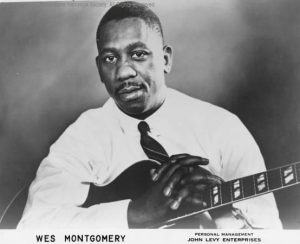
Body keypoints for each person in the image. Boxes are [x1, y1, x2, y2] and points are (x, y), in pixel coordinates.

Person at [17, 1, 282, 229]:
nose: (123, 73)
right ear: (99, 69)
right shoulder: (81, 138)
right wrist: (135, 214)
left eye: (138, 54)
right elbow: (31, 228)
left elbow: (272, 237)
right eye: (110, 59)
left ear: (166, 59)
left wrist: (223, 208)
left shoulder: (223, 128)